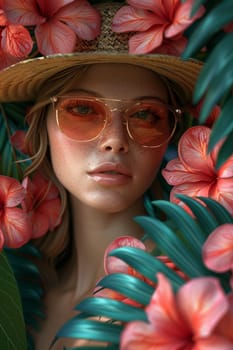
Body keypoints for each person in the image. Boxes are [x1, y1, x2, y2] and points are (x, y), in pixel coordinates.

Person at [0, 1, 203, 349]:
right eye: (82, 109)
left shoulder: (194, 289)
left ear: (173, 132)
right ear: (40, 125)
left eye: (146, 116)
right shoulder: (26, 291)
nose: (114, 141)